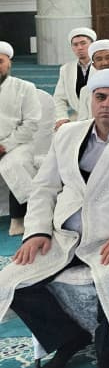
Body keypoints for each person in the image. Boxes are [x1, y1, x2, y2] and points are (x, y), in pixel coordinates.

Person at [0, 69, 109, 368]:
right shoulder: (68, 134)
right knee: (12, 280)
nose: (107, 104)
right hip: (64, 236)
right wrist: (37, 231)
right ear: (91, 100)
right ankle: (67, 339)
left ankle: (107, 343)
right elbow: (44, 188)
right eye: (100, 97)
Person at [0, 41, 43, 236]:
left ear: (9, 63)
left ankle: (20, 217)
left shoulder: (25, 87)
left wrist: (4, 146)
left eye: (0, 61)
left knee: (15, 164)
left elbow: (31, 123)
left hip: (18, 143)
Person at [52, 27, 96, 129]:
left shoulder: (103, 65)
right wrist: (62, 117)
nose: (79, 47)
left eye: (83, 43)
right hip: (78, 117)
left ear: (92, 44)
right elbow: (59, 98)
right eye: (75, 45)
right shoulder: (66, 69)